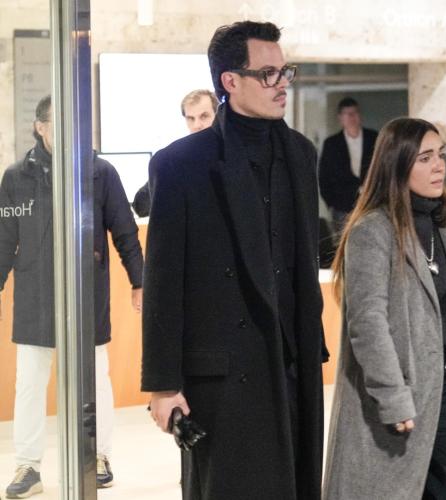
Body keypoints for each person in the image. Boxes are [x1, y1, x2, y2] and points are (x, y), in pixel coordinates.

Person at [142, 21, 326, 500]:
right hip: (222, 374)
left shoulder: (301, 154)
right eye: (268, 74)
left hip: (292, 363)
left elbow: (302, 263)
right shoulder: (180, 164)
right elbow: (163, 280)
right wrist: (163, 385)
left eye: (284, 71)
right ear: (230, 81)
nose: (282, 83)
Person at [323, 117, 446, 500]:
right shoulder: (371, 231)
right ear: (397, 165)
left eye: (439, 154)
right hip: (398, 386)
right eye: (425, 158)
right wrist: (392, 394)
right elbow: (368, 323)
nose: (439, 166)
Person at [1, 95, 144, 498]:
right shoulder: (16, 177)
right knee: (30, 384)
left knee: (95, 380)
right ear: (40, 127)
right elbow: (4, 240)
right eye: (59, 122)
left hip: (85, 293)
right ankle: (28, 467)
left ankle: (98, 457)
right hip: (35, 295)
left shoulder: (100, 173)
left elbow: (125, 231)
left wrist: (139, 280)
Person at [132, 89, 219, 218]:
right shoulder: (177, 159)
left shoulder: (231, 154)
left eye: (204, 116)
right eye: (190, 118)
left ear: (218, 115)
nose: (197, 125)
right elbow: (140, 206)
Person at [318, 97, 378, 236]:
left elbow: (383, 168)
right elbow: (324, 176)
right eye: (347, 114)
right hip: (342, 206)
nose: (351, 117)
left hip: (371, 204)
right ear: (340, 118)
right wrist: (331, 204)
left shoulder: (374, 138)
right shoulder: (332, 144)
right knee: (343, 243)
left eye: (354, 112)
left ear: (360, 115)